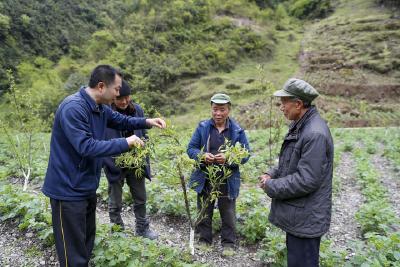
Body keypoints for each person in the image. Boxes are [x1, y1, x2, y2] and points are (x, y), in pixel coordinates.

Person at [42, 65, 166, 267]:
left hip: (85, 185)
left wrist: (147, 121)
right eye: (117, 89)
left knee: (86, 242)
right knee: (71, 251)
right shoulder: (74, 108)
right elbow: (86, 146)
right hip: (67, 189)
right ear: (101, 86)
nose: (119, 93)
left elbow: (120, 120)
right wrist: (126, 142)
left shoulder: (100, 108)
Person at [259, 78, 334, 267]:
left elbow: (306, 179)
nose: (281, 107)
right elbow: (290, 162)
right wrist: (272, 174)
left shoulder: (313, 133)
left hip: (306, 217)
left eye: (284, 102)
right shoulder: (301, 125)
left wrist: (271, 186)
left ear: (298, 104)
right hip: (300, 214)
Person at [187, 93, 250, 254]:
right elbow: (191, 148)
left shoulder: (237, 130)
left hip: (226, 179)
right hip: (205, 177)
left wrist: (229, 158)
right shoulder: (202, 127)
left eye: (222, 110)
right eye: (215, 109)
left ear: (228, 110)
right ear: (211, 109)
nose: (218, 113)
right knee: (204, 210)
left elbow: (246, 153)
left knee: (228, 213)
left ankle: (228, 244)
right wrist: (201, 156)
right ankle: (204, 240)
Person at [103, 80, 158, 239]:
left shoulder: (137, 110)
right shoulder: (106, 113)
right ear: (113, 97)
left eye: (127, 97)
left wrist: (144, 149)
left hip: (136, 162)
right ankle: (118, 231)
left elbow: (143, 134)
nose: (124, 101)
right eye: (120, 98)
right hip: (115, 162)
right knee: (115, 201)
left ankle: (142, 228)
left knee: (140, 198)